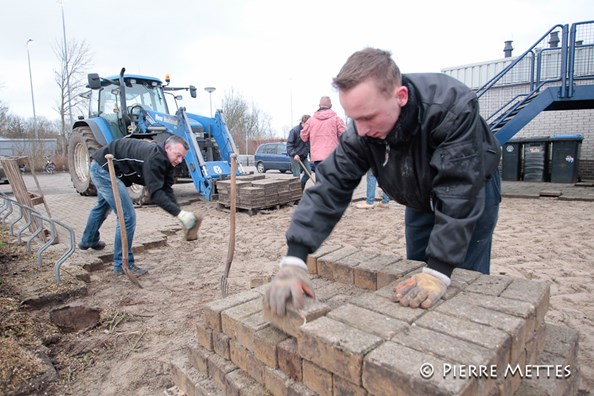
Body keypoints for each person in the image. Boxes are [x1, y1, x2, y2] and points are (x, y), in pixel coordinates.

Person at [265, 48, 501, 315]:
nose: (361, 130)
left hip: (471, 190)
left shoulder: (451, 107)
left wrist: (440, 270)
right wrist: (295, 258)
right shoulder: (361, 133)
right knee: (417, 277)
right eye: (354, 119)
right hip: (418, 194)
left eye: (367, 117)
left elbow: (459, 188)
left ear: (400, 97)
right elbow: (330, 187)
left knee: (459, 280)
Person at [78, 135, 202, 276]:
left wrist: (179, 213)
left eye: (182, 158)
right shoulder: (154, 158)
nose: (179, 161)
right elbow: (156, 194)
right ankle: (123, 264)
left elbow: (166, 189)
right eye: (177, 155)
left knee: (103, 206)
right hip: (103, 169)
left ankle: (88, 240)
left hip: (115, 170)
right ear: (167, 148)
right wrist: (180, 214)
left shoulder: (168, 162)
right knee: (127, 216)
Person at [300, 96, 346, 171]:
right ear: (331, 106)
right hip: (333, 156)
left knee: (321, 180)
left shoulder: (311, 121)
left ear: (319, 105)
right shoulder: (337, 119)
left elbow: (303, 136)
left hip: (318, 157)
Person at [286, 114, 312, 190]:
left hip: (303, 157)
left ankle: (300, 189)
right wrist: (294, 154)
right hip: (295, 156)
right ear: (303, 122)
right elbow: (289, 145)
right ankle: (295, 193)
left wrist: (311, 155)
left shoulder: (308, 132)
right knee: (297, 176)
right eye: (308, 124)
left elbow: (309, 145)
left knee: (309, 173)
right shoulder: (294, 131)